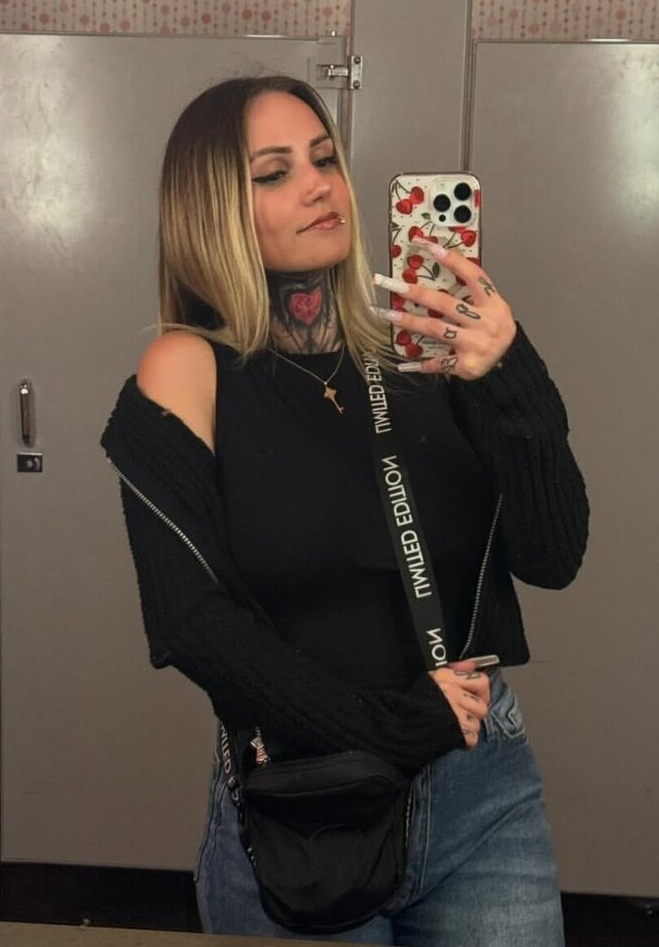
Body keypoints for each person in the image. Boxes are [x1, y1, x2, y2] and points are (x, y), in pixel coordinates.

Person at [101, 74, 589, 946]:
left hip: (479, 788)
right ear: (212, 209)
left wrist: (512, 374)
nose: (319, 186)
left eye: (324, 160)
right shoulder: (186, 370)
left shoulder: (425, 348)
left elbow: (553, 556)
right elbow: (189, 621)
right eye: (274, 172)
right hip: (306, 798)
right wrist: (389, 728)